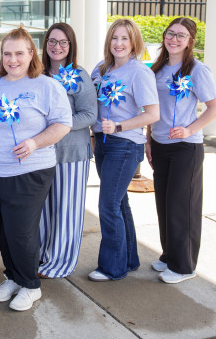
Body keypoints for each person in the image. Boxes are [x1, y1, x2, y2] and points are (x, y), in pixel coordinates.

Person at [0, 27, 72, 311]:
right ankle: (13, 277)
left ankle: (31, 285)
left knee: (21, 231)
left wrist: (34, 142)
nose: (13, 60)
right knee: (3, 230)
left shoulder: (46, 86)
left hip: (29, 172)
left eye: (19, 53)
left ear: (31, 54)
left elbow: (63, 124)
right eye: (7, 54)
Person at [146, 18, 216, 284]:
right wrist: (148, 140)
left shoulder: (197, 70)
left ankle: (184, 266)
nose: (174, 39)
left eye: (181, 35)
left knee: (182, 207)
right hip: (159, 144)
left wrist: (190, 130)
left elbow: (214, 108)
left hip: (185, 148)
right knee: (164, 204)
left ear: (190, 41)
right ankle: (169, 256)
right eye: (170, 33)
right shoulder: (156, 69)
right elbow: (151, 108)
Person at [89, 18, 160, 282]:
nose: (118, 43)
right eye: (114, 38)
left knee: (107, 205)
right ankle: (128, 259)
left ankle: (112, 267)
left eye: (124, 39)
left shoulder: (139, 72)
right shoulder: (101, 68)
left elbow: (153, 114)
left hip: (125, 144)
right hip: (103, 142)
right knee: (119, 203)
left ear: (134, 43)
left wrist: (119, 126)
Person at [38, 23, 97, 278]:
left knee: (66, 212)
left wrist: (59, 125)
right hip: (41, 154)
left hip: (71, 154)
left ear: (71, 46)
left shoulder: (79, 75)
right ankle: (41, 256)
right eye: (52, 41)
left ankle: (60, 264)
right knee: (42, 211)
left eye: (63, 42)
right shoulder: (38, 73)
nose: (57, 46)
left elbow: (90, 115)